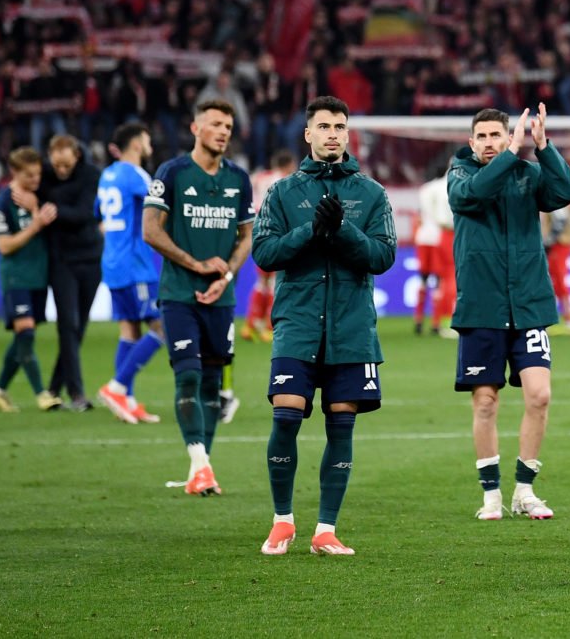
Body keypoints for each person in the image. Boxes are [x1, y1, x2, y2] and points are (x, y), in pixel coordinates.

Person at [252, 96, 396, 556]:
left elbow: (383, 256)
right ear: (308, 134)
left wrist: (344, 232)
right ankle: (282, 521)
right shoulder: (281, 193)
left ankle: (325, 530)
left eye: (340, 126)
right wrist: (309, 231)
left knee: (341, 424)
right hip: (297, 322)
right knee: (286, 414)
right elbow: (265, 254)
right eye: (324, 126)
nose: (333, 133)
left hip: (352, 328)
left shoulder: (371, 193)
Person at [449, 104, 570, 521]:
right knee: (485, 402)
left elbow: (564, 192)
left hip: (528, 305)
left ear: (509, 137)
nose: (489, 143)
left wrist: (544, 148)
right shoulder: (461, 175)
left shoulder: (528, 175)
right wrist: (510, 157)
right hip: (481, 307)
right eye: (482, 137)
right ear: (472, 143)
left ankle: (524, 490)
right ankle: (491, 495)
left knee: (539, 395)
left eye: (496, 136)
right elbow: (473, 195)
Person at [143, 99, 254, 497]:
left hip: (220, 299)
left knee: (211, 383)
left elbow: (247, 236)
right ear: (195, 128)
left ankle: (201, 468)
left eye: (228, 125)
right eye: (215, 124)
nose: (224, 131)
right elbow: (151, 230)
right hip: (179, 293)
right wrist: (194, 262)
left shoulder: (239, 179)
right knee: (187, 374)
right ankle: (200, 463)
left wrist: (225, 274)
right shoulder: (171, 173)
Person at [16, 134, 103, 411]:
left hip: (90, 258)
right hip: (61, 260)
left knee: (78, 328)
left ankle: (54, 388)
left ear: (76, 156)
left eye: (66, 165)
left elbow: (84, 213)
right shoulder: (45, 176)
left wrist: (45, 208)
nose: (61, 171)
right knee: (67, 324)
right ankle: (77, 394)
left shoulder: (91, 174)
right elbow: (23, 186)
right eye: (57, 165)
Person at [95, 123, 166, 424]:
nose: (150, 144)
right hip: (135, 265)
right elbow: (161, 206)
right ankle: (117, 386)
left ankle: (127, 399)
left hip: (112, 261)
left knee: (130, 331)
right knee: (162, 326)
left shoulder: (107, 174)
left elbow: (100, 217)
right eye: (147, 139)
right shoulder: (135, 174)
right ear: (136, 144)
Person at [0, 148, 58, 412]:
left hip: (38, 275)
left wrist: (37, 210)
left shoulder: (37, 197)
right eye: (29, 175)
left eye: (38, 173)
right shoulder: (1, 204)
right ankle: (41, 394)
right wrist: (36, 224)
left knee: (23, 337)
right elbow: (4, 246)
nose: (36, 179)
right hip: (16, 276)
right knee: (25, 332)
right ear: (14, 172)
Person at [243, 151, 297, 343]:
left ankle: (251, 324)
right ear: (289, 164)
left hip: (257, 234)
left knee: (262, 282)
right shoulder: (286, 181)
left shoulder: (258, 177)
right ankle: (269, 327)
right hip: (275, 235)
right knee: (275, 283)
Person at [414, 164, 458, 338]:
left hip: (423, 237)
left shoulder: (425, 189)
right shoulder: (448, 186)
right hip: (440, 237)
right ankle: (436, 323)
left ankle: (418, 320)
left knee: (424, 279)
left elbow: (420, 214)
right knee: (442, 279)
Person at [543, 205, 570, 334]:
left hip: (558, 245)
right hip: (559, 244)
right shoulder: (566, 205)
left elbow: (560, 224)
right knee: (555, 279)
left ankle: (569, 315)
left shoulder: (558, 206)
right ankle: (568, 314)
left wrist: (546, 241)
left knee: (558, 278)